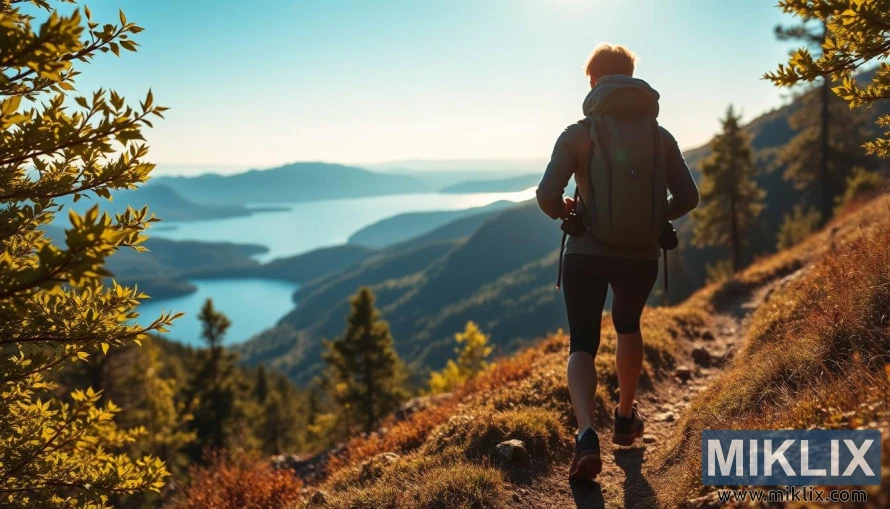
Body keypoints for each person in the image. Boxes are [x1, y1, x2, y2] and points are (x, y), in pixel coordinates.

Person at [536, 43, 699, 482]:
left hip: (585, 254)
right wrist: (655, 219)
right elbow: (689, 196)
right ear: (630, 78)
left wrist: (567, 212)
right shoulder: (660, 136)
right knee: (628, 327)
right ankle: (625, 418)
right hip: (640, 256)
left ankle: (586, 435)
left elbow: (547, 195)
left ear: (594, 82)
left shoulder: (579, 133)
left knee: (582, 343)